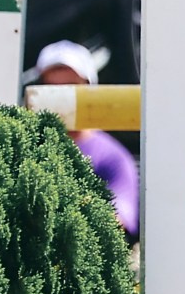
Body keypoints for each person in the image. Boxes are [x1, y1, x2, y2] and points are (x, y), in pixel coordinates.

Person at [33, 39, 139, 237]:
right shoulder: (27, 146)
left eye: (71, 87)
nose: (61, 96)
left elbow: (120, 219)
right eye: (51, 88)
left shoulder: (112, 156)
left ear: (90, 89)